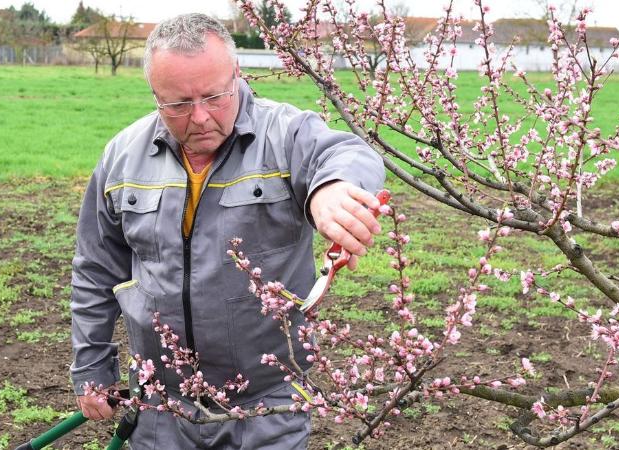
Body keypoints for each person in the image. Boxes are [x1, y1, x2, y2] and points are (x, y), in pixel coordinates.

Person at [70, 13, 385, 449]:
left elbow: (347, 153)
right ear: (154, 94)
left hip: (265, 407)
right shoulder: (122, 157)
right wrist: (91, 366)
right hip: (161, 407)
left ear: (236, 75)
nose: (199, 117)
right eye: (178, 104)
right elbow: (95, 270)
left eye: (215, 96)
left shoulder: (284, 133)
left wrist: (331, 188)